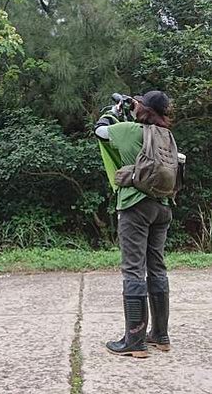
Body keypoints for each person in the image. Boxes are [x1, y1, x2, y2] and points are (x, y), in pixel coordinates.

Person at [94, 91, 173, 358]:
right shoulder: (166, 135)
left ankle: (135, 341)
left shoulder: (129, 129)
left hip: (134, 206)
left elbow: (101, 131)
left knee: (133, 271)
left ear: (144, 109)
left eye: (138, 103)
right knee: (157, 269)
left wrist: (115, 110)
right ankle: (160, 336)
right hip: (162, 207)